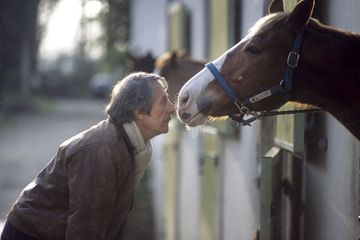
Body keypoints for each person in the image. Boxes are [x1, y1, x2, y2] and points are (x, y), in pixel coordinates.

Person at [0, 72, 176, 240]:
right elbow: (86, 229)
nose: (172, 107)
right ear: (139, 113)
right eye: (163, 101)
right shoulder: (101, 151)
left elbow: (112, 221)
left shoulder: (131, 145)